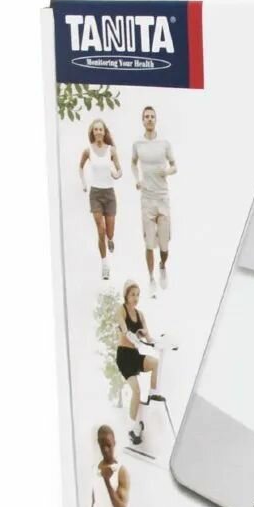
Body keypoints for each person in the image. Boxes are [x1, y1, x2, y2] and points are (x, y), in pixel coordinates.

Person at [131, 106, 176, 296]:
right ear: (142, 120)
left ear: (155, 120)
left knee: (164, 245)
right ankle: (150, 278)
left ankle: (162, 266)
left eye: (152, 116)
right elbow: (133, 163)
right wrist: (137, 180)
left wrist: (167, 171)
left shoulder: (164, 143)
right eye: (146, 117)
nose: (149, 119)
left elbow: (174, 166)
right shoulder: (138, 144)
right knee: (149, 244)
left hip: (162, 198)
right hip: (147, 199)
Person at [116, 280, 161, 445]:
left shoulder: (140, 315)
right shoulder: (121, 310)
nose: (135, 298)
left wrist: (157, 342)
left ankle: (153, 394)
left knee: (155, 363)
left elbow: (148, 338)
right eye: (132, 294)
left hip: (135, 355)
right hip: (124, 356)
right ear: (126, 295)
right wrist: (132, 336)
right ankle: (133, 428)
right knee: (136, 390)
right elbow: (124, 329)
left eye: (138, 295)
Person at [78, 119, 122, 280]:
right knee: (100, 231)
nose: (98, 132)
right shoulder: (87, 150)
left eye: (100, 129)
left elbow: (119, 170)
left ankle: (111, 239)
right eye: (95, 129)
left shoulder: (111, 150)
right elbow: (80, 167)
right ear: (92, 132)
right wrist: (84, 183)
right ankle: (105, 265)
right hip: (95, 194)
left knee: (109, 232)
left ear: (104, 132)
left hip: (109, 194)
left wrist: (116, 174)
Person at [83, 425, 131, 507]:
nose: (106, 449)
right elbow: (95, 502)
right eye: (102, 445)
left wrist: (107, 482)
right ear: (98, 444)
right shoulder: (95, 469)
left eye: (109, 445)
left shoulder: (121, 471)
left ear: (114, 443)